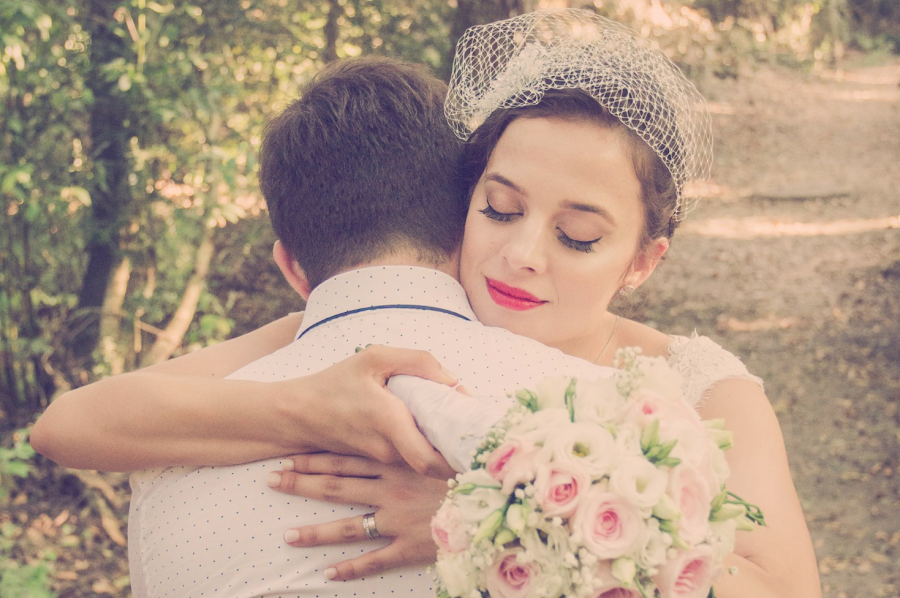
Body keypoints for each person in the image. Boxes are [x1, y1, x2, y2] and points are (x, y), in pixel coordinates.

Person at [31, 9, 821, 598]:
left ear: (643, 262)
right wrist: (303, 406)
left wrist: (495, 516)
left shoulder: (702, 386)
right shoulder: (381, 329)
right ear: (455, 212)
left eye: (578, 236)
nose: (521, 256)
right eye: (500, 210)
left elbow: (784, 589)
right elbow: (77, 423)